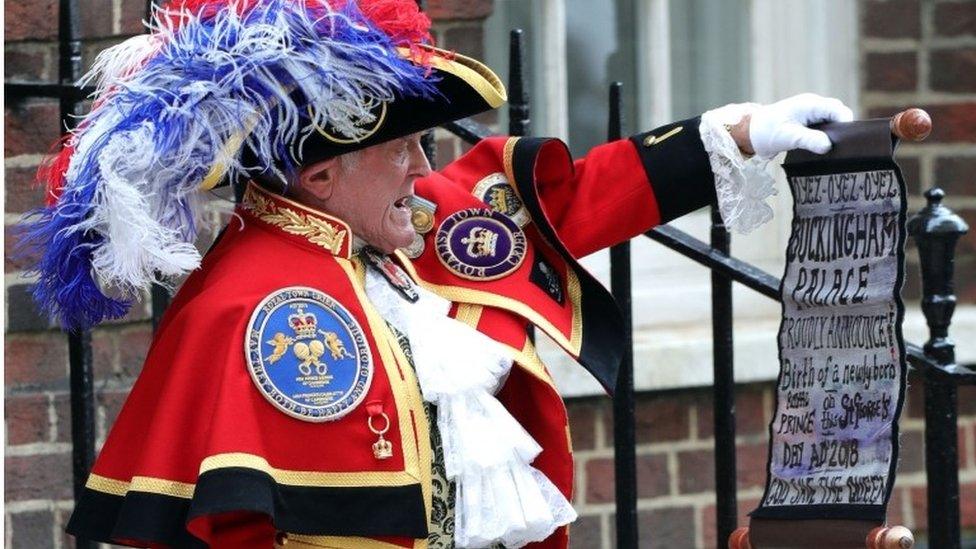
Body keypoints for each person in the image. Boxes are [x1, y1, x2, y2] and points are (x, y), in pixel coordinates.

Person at [19, 0, 853, 547]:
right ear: (320, 176)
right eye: (405, 148)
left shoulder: (401, 229)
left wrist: (737, 135)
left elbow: (572, 201)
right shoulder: (249, 300)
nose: (427, 168)